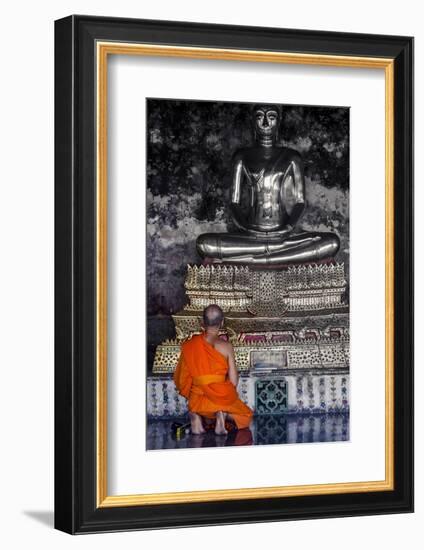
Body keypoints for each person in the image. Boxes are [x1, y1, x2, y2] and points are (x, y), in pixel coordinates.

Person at [173, 304, 253, 435]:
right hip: (221, 396)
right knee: (245, 416)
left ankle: (196, 415)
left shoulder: (190, 345)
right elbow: (233, 381)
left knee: (202, 407)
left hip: (197, 400)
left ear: (202, 322)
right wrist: (224, 391)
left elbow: (182, 379)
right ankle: (222, 414)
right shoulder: (226, 346)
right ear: (222, 322)